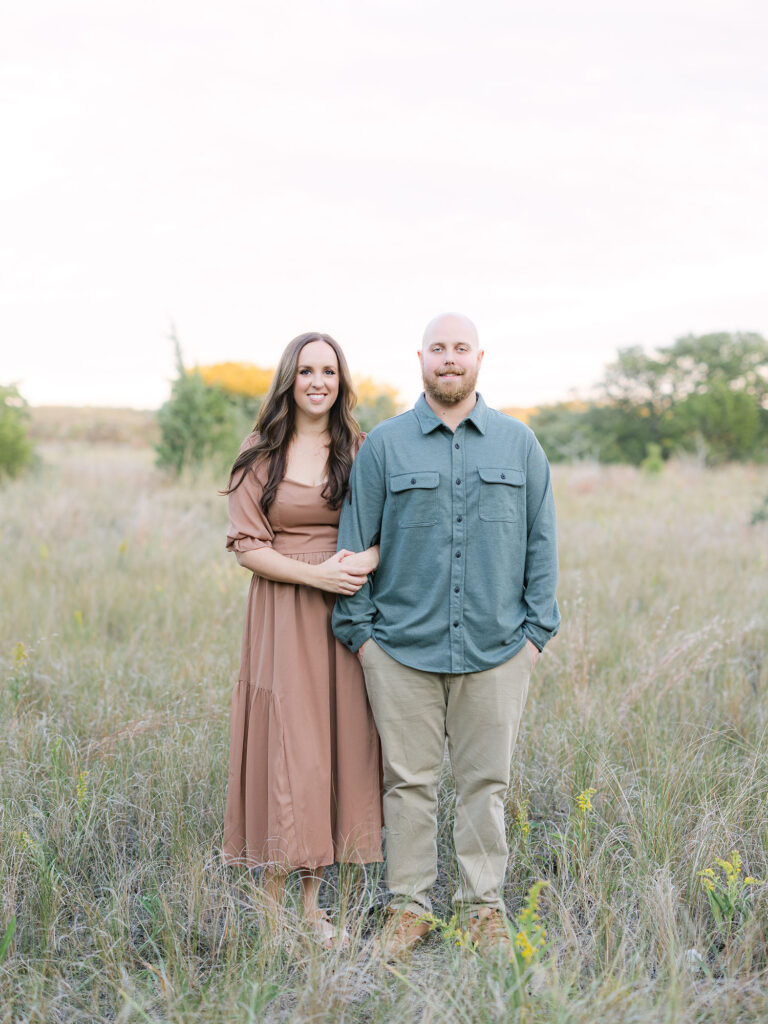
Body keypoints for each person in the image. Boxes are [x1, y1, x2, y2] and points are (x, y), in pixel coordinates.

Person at [332, 312, 560, 956]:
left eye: (461, 348)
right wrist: (364, 638)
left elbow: (542, 543)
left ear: (480, 359)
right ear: (421, 359)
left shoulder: (519, 444)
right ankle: (409, 908)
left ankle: (482, 909)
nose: (449, 358)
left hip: (497, 651)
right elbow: (356, 542)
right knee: (409, 785)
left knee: (486, 785)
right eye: (439, 349)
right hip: (400, 650)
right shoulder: (385, 446)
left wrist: (535, 635)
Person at [222, 332, 382, 948]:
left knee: (332, 747)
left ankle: (312, 911)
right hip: (283, 610)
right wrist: (316, 572)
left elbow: (391, 531)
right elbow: (247, 547)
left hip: (343, 614)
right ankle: (270, 912)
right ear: (289, 377)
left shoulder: (361, 449)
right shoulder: (260, 451)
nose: (319, 381)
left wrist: (361, 562)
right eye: (308, 370)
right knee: (286, 745)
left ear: (342, 382)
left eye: (330, 371)